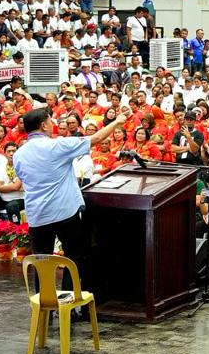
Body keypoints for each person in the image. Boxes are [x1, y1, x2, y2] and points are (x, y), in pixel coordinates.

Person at [14, 105, 131, 289]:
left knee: (42, 261)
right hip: (64, 212)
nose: (53, 125)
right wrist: (117, 122)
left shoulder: (19, 154)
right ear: (44, 126)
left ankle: (46, 304)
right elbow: (97, 138)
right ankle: (70, 302)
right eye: (50, 122)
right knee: (74, 257)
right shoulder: (57, 144)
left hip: (37, 215)